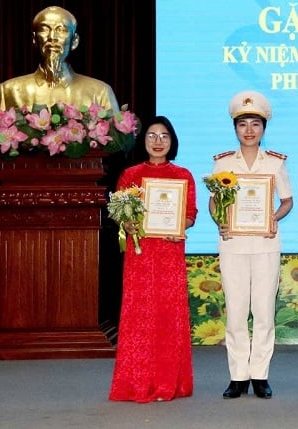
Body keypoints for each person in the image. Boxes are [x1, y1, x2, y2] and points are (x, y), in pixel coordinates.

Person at [210, 91, 293, 400]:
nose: (249, 130)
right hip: (232, 244)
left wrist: (273, 218)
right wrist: (219, 218)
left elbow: (286, 201)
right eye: (242, 124)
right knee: (235, 313)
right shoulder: (222, 164)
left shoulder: (274, 163)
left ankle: (260, 374)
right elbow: (214, 201)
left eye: (255, 124)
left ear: (263, 128)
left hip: (265, 244)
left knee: (263, 312)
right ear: (235, 128)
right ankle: (237, 376)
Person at [109, 115, 198, 403]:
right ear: (143, 140)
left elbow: (190, 213)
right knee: (139, 316)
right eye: (151, 135)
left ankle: (168, 383)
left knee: (168, 316)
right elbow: (120, 215)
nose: (158, 141)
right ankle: (136, 384)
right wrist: (126, 224)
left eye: (164, 136)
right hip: (140, 255)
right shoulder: (130, 175)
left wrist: (180, 226)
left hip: (170, 254)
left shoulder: (183, 175)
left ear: (172, 142)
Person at [0, 6, 119, 111]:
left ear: (74, 41)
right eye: (44, 29)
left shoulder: (100, 92)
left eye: (61, 30)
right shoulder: (8, 91)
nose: (52, 37)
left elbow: (117, 141)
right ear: (34, 39)